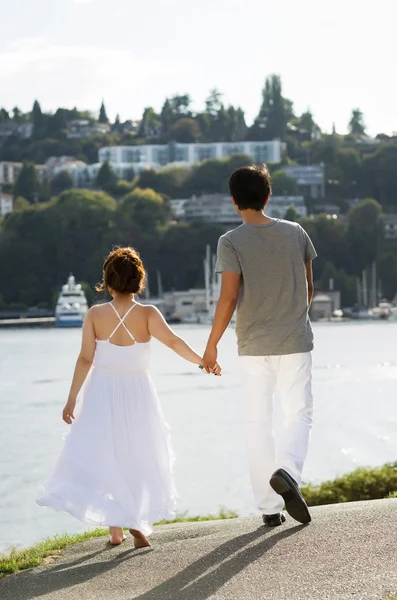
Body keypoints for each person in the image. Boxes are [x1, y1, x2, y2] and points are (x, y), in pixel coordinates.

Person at [38, 247, 221, 547]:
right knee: (135, 454)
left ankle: (119, 528)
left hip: (101, 392)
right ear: (139, 281)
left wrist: (71, 399)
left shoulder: (96, 314)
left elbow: (85, 359)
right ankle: (128, 522)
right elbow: (174, 342)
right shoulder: (148, 314)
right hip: (138, 393)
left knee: (106, 454)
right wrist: (203, 362)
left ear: (108, 282)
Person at [202, 165, 316, 527]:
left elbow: (229, 297)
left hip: (252, 345)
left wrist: (211, 346)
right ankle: (288, 471)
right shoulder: (296, 233)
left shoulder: (231, 241)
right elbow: (309, 288)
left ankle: (269, 508)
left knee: (257, 424)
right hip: (295, 342)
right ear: (268, 196)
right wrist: (292, 317)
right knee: (298, 414)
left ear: (234, 202)